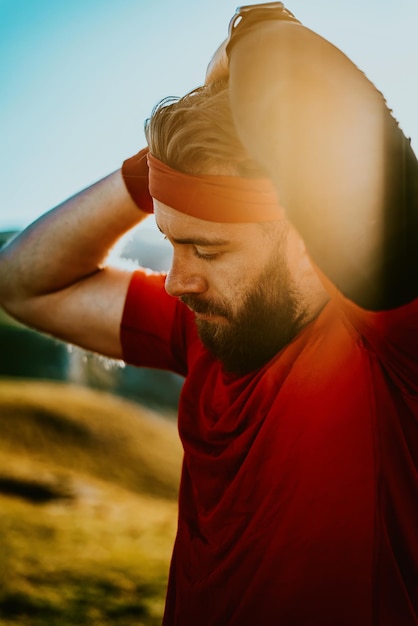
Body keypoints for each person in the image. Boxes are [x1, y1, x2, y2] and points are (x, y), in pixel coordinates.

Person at [0, 3, 417, 625]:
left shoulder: (389, 341)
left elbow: (304, 78)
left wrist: (251, 27)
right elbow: (22, 283)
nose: (176, 280)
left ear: (306, 238)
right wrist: (157, 176)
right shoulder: (209, 330)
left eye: (208, 248)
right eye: (171, 240)